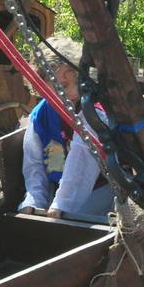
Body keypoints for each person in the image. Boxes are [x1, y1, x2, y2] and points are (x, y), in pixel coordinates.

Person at [18, 36, 110, 220]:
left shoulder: (95, 111)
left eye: (76, 81)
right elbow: (35, 164)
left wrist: (62, 204)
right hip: (60, 191)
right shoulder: (41, 117)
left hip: (102, 190)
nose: (74, 92)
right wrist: (34, 200)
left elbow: (81, 161)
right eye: (63, 87)